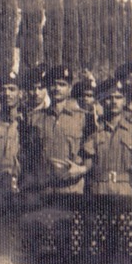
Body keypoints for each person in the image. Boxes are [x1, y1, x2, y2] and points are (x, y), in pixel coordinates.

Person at [81, 77, 132, 195]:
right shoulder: (93, 130)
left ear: (125, 101)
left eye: (119, 97)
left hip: (125, 191)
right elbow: (87, 165)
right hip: (97, 190)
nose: (114, 101)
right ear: (101, 101)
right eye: (109, 98)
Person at [33, 66, 88, 194]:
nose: (57, 88)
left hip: (72, 189)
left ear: (69, 88)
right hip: (43, 189)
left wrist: (82, 169)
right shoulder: (35, 118)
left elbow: (92, 153)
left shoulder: (83, 118)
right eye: (53, 84)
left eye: (62, 84)